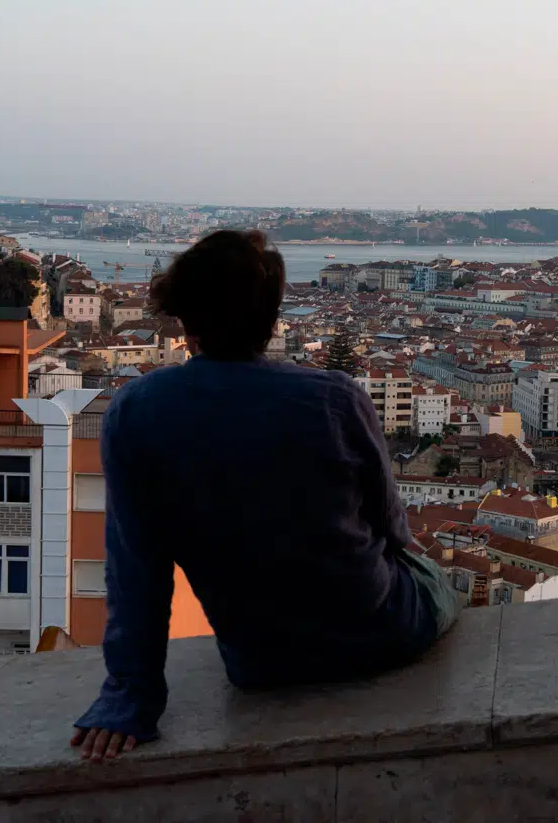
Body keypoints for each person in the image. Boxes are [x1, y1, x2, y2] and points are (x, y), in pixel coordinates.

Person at [70, 230, 458, 762]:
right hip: (382, 633)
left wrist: (129, 698)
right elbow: (394, 530)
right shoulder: (335, 396)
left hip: (260, 659)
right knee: (431, 570)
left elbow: (136, 569)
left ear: (183, 317)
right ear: (272, 315)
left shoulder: (135, 410)